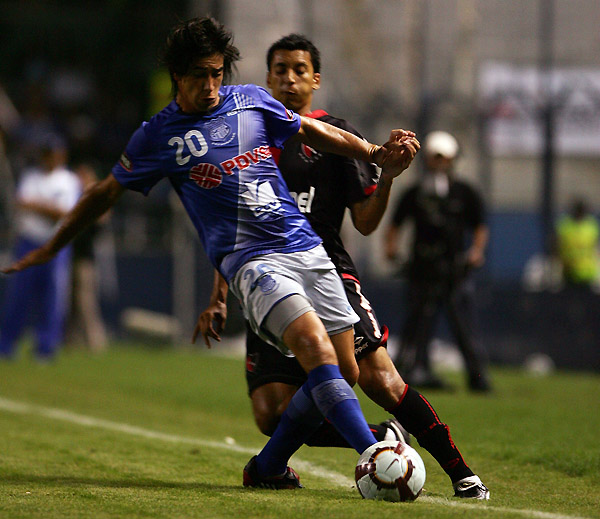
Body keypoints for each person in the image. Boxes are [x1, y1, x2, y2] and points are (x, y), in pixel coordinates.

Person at [1, 17, 418, 493]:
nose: (211, 85)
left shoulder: (250, 101)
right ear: (178, 76)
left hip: (306, 247)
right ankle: (377, 455)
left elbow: (311, 131)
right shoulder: (158, 136)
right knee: (317, 353)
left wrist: (373, 152)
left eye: (217, 73)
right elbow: (104, 193)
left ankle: (267, 468)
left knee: (343, 372)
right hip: (252, 262)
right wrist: (53, 245)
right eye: (199, 74)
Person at [195, 34, 489, 500]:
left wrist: (386, 177)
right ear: (266, 77)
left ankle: (461, 473)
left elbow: (367, 224)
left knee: (377, 377)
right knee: (269, 411)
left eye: (298, 69)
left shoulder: (333, 136)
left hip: (326, 272)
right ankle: (377, 439)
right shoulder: (242, 138)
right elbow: (230, 226)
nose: (288, 79)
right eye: (278, 70)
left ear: (315, 79)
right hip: (265, 279)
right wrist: (216, 296)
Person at [385, 131, 491, 392]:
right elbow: (395, 223)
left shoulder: (464, 193)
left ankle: (477, 377)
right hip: (422, 268)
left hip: (455, 269)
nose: (440, 163)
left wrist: (476, 251)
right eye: (435, 158)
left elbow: (480, 225)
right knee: (416, 322)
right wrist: (391, 249)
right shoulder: (416, 193)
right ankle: (411, 370)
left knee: (464, 325)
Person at [0, 134, 81, 360]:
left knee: (53, 299)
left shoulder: (68, 180)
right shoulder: (32, 176)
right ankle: (6, 346)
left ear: (61, 156)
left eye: (54, 154)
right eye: (47, 154)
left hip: (56, 245)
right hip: (28, 242)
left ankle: (45, 349)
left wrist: (37, 206)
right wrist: (47, 208)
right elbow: (22, 202)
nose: (50, 158)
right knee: (18, 296)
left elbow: (64, 213)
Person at [68, 163, 109, 352]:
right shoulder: (71, 197)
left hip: (84, 258)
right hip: (68, 256)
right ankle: (71, 340)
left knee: (86, 302)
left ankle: (96, 342)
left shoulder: (96, 200)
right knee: (70, 303)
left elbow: (102, 222)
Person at [556, 198, 600, 289]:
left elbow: (596, 247)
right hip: (569, 271)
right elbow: (557, 245)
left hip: (587, 272)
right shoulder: (565, 226)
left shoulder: (591, 226)